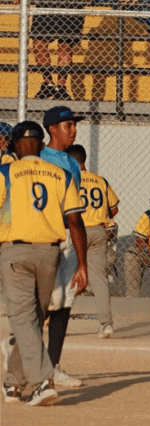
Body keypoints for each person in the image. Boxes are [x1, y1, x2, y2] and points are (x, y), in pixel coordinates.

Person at [1, 120, 88, 406]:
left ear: (15, 146)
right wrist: (83, 264)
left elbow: (1, 211)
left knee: (24, 319)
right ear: (40, 145)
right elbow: (75, 221)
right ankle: (14, 383)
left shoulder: (6, 171)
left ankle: (42, 382)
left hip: (15, 250)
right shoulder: (62, 174)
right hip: (50, 253)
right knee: (34, 319)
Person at [40, 106, 86, 388]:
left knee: (65, 300)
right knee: (43, 300)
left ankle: (52, 366)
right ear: (53, 129)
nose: (74, 130)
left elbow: (74, 212)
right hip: (45, 236)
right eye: (68, 125)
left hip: (68, 235)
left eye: (74, 125)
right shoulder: (39, 157)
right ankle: (22, 354)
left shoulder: (71, 163)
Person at [65, 145, 120, 339]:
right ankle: (106, 324)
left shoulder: (70, 179)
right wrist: (99, 215)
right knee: (99, 279)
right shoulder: (100, 180)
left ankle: (50, 319)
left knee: (67, 276)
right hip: (99, 231)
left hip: (78, 231)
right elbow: (114, 208)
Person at [31, 1, 85, 100]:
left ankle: (60, 88)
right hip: (45, 5)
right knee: (38, 44)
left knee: (65, 46)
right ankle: (48, 84)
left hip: (70, 6)